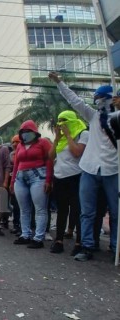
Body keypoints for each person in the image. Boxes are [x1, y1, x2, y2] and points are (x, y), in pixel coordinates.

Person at [49, 72, 119, 261]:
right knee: (86, 212)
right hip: (89, 169)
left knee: (115, 212)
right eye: (96, 98)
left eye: (100, 98)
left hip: (112, 170)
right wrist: (59, 82)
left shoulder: (117, 118)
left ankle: (115, 247)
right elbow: (74, 100)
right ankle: (87, 246)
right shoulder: (93, 117)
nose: (97, 101)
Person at [48, 110, 88, 255]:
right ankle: (59, 241)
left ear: (72, 120)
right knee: (62, 210)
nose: (61, 123)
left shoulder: (83, 134)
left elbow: (76, 152)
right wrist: (57, 138)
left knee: (77, 210)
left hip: (76, 177)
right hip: (59, 178)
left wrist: (69, 135)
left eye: (64, 120)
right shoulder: (60, 137)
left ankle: (79, 243)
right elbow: (51, 156)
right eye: (59, 121)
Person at [10, 120, 53, 249]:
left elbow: (49, 160)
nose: (25, 134)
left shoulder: (43, 142)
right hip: (20, 177)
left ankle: (38, 238)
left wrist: (49, 180)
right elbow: (16, 164)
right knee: (24, 209)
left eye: (28, 131)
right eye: (23, 132)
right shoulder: (20, 146)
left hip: (38, 176)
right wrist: (13, 181)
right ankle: (25, 235)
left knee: (40, 208)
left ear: (34, 132)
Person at [9, 135, 21, 236]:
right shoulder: (11, 154)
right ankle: (16, 225)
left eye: (16, 142)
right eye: (13, 142)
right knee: (15, 206)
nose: (14, 144)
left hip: (25, 182)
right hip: (14, 182)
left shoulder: (25, 152)